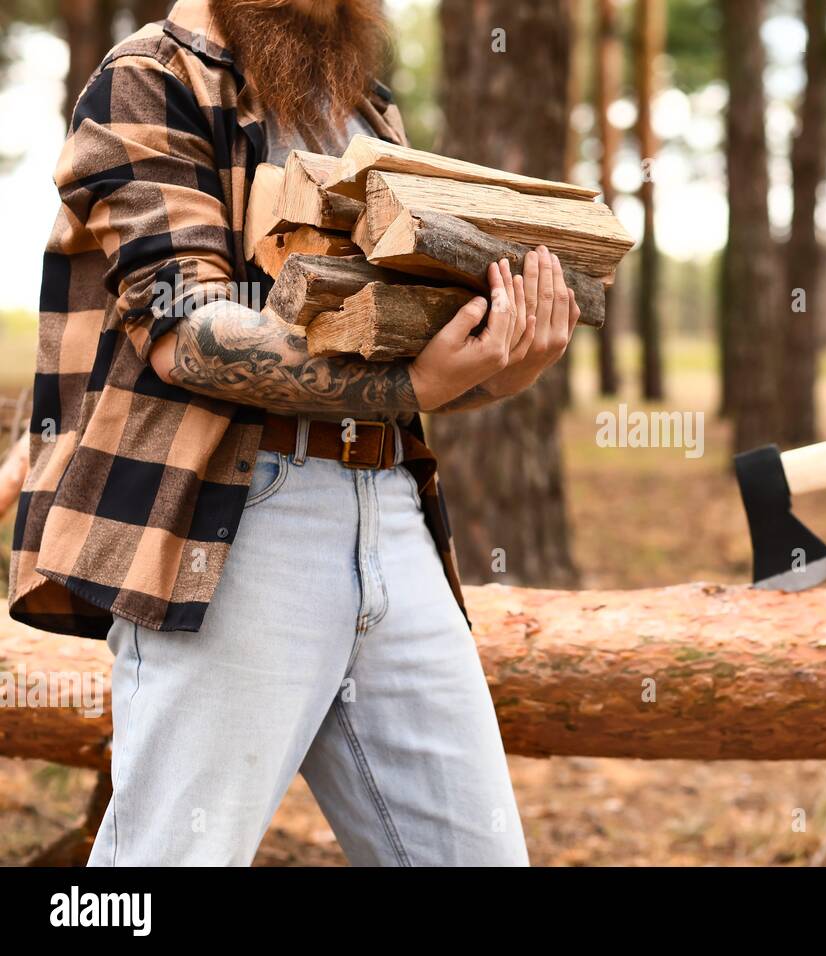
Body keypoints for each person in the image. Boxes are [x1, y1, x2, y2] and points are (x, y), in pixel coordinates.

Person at [7, 0, 578, 866]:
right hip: (231, 522)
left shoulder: (366, 105)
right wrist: (408, 380)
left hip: (392, 507)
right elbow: (187, 330)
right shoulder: (149, 78)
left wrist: (504, 365)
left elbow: (403, 357)